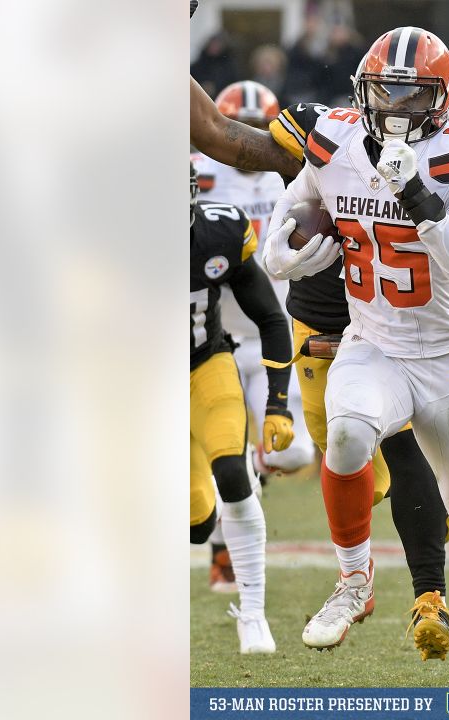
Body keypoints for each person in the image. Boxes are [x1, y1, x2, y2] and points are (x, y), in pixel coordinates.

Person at [262, 26, 449, 687]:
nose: (394, 109)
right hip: (374, 346)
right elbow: (286, 228)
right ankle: (353, 578)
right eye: (383, 93)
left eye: (411, 96)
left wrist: (420, 199)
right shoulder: (333, 142)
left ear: (441, 101)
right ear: (362, 93)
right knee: (345, 436)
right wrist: (293, 251)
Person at [193, 81, 317, 592]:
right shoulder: (199, 173)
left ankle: (243, 477)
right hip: (215, 329)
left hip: (273, 327)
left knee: (292, 454)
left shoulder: (286, 173)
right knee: (230, 449)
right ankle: (226, 551)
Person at [188, 164, 295, 654]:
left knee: (234, 472)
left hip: (205, 367)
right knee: (194, 523)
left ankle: (252, 614)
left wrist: (277, 403)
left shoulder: (218, 233)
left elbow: (272, 318)